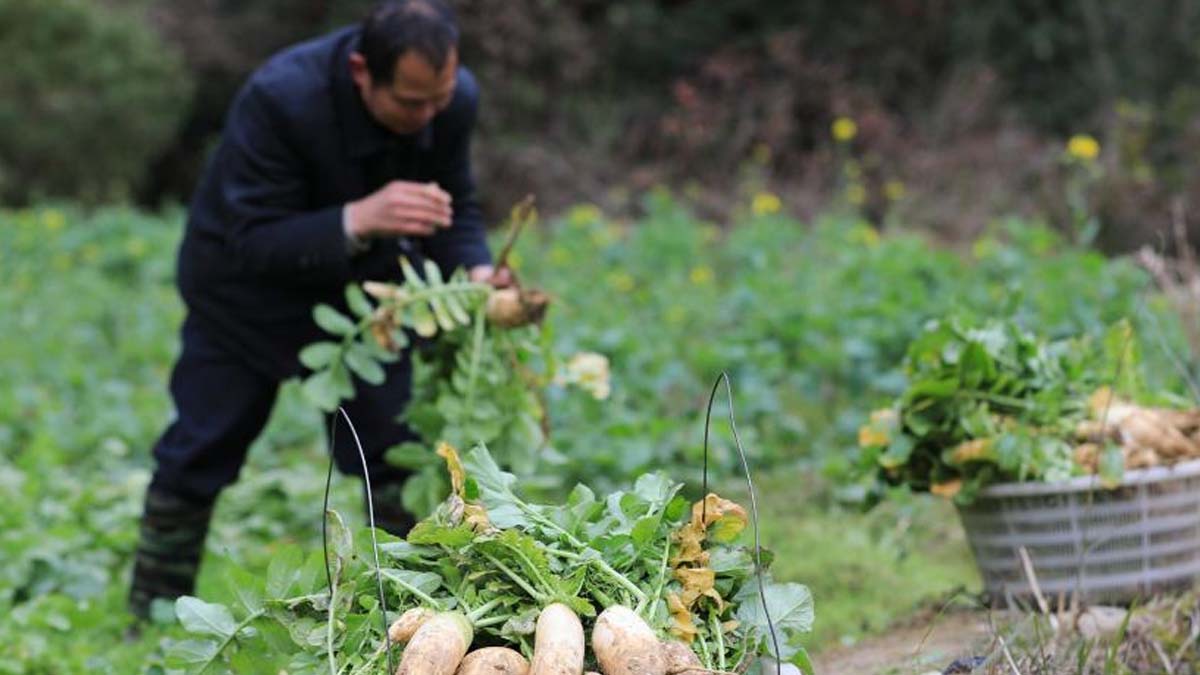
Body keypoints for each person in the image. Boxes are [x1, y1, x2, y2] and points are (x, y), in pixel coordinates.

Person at [128, 0, 510, 619]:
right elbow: (245, 235)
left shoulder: (448, 98)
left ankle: (404, 611)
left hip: (365, 305)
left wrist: (477, 272)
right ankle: (150, 611)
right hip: (242, 297)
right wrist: (356, 218)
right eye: (412, 103)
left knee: (390, 451)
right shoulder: (282, 98)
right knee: (200, 448)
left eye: (439, 98)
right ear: (362, 71)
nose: (430, 115)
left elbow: (454, 206)